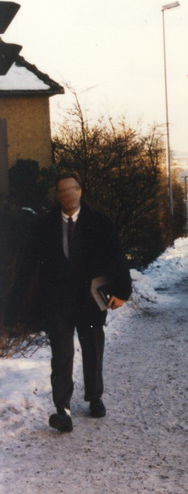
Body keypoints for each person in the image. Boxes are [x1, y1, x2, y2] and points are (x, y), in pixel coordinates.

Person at [13, 173, 131, 433]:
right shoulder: (43, 225)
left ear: (80, 191)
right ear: (57, 196)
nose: (67, 196)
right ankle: (62, 408)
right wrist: (17, 304)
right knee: (62, 354)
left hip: (89, 300)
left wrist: (123, 291)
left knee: (92, 348)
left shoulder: (99, 222)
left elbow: (116, 258)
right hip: (57, 302)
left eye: (71, 190)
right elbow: (28, 266)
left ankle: (94, 396)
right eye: (61, 192)